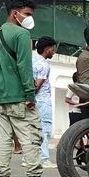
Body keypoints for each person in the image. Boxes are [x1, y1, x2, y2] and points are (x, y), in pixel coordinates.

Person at [0, 0, 52, 177]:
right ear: (15, 14)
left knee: (3, 139)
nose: (30, 18)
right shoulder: (22, 35)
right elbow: (24, 66)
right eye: (27, 14)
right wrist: (30, 94)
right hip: (19, 97)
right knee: (31, 136)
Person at [32, 36, 56, 166]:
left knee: (33, 130)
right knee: (44, 130)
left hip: (34, 101)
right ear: (47, 49)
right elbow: (37, 85)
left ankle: (30, 158)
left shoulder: (32, 60)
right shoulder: (43, 65)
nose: (53, 52)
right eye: (52, 49)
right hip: (43, 101)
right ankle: (44, 159)